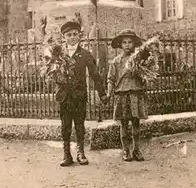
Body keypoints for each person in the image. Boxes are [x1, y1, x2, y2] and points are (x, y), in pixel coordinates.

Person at [58, 20, 107, 167]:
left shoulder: (85, 54)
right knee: (65, 125)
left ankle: (81, 153)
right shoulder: (58, 54)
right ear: (63, 37)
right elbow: (50, 73)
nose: (72, 37)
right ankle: (67, 155)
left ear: (79, 36)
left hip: (79, 96)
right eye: (69, 35)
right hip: (64, 96)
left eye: (75, 34)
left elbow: (95, 75)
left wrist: (102, 93)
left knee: (79, 125)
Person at [107, 29, 148, 162]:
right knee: (123, 125)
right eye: (124, 42)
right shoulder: (116, 61)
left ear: (135, 44)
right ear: (120, 44)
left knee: (136, 124)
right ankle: (126, 150)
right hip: (122, 95)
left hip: (135, 94)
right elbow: (111, 79)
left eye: (130, 42)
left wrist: (142, 72)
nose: (127, 45)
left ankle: (136, 150)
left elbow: (145, 77)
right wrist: (108, 93)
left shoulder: (140, 61)